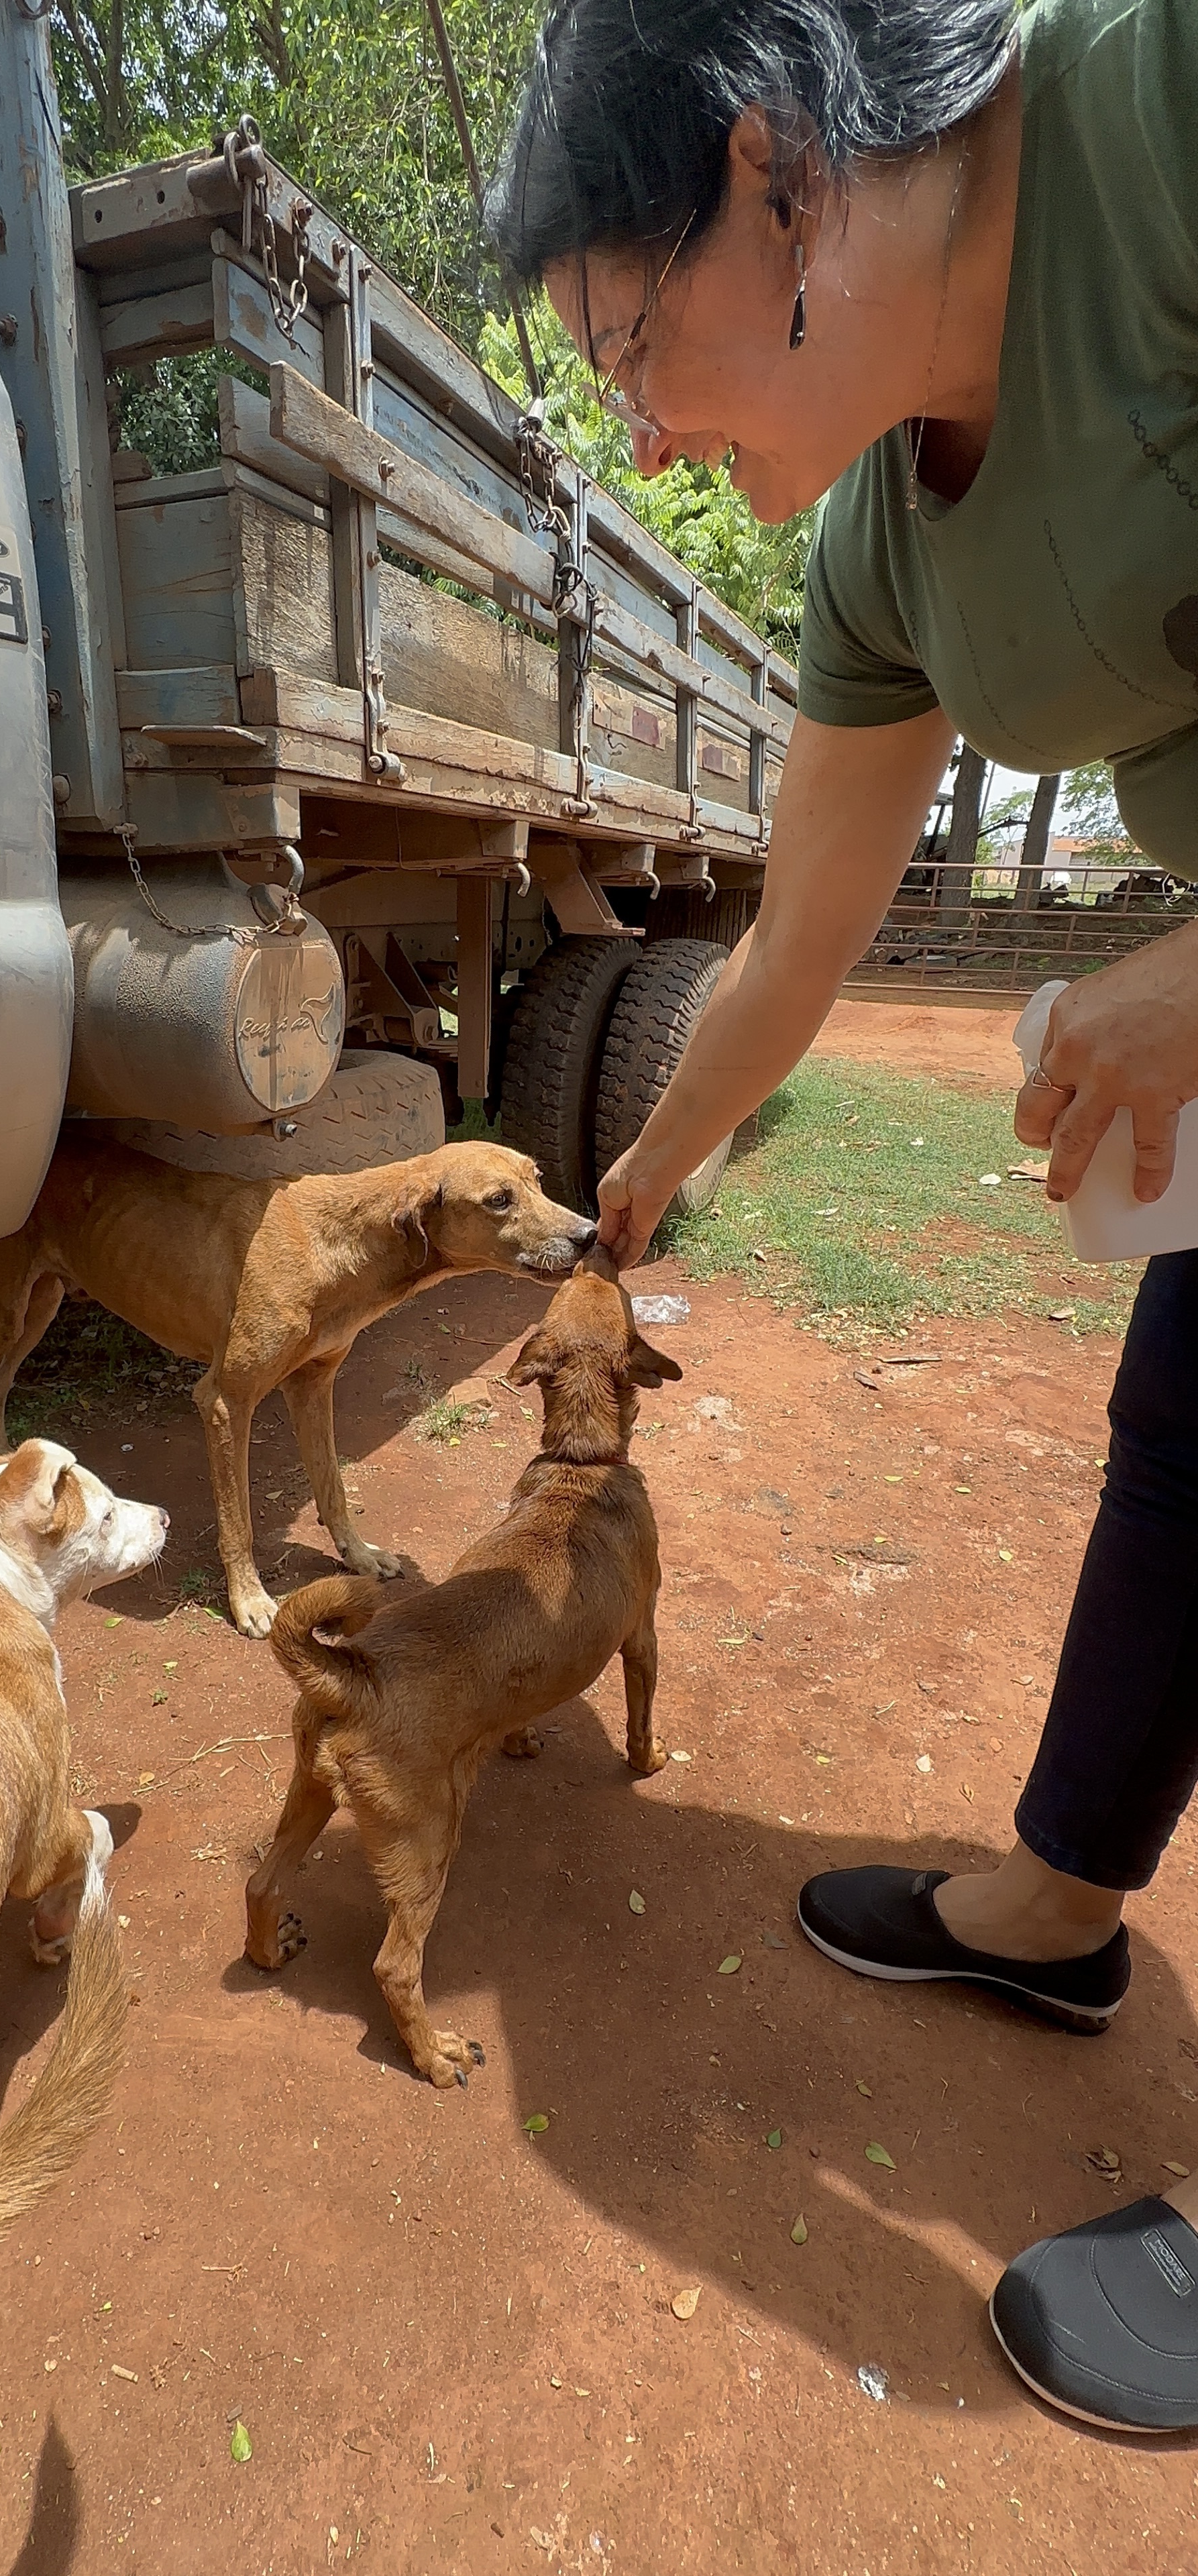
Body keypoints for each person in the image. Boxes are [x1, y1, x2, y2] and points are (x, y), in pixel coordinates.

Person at [488, 0, 1198, 2432]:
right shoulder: (884, 535)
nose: (634, 438)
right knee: (1183, 1442)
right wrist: (648, 1175)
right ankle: (1061, 1904)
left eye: (625, 347)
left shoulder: (1159, 115)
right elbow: (794, 946)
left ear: (774, 169)